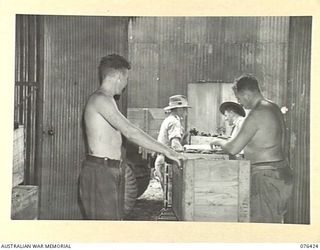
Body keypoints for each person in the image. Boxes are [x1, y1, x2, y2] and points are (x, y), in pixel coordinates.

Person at [79, 54, 185, 220]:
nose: (126, 83)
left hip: (108, 171)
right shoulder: (100, 99)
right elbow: (130, 131)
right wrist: (167, 151)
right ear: (119, 76)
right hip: (101, 173)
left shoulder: (108, 100)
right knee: (104, 232)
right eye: (126, 78)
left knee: (111, 226)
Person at [210, 74, 293, 223]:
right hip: (279, 173)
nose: (239, 103)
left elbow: (233, 147)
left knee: (263, 226)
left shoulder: (257, 112)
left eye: (239, 98)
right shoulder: (272, 106)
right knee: (273, 221)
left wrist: (217, 141)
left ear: (246, 94)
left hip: (265, 177)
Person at [154, 95, 191, 187]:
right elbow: (175, 144)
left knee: (169, 195)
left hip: (162, 159)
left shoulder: (169, 119)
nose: (186, 112)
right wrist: (185, 156)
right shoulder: (174, 122)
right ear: (179, 109)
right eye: (184, 109)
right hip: (166, 160)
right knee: (174, 194)